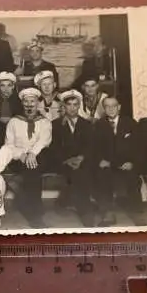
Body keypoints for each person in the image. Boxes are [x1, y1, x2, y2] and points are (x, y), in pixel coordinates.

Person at [0, 88, 52, 228]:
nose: (29, 104)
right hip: (18, 158)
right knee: (31, 170)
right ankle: (32, 210)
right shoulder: (14, 121)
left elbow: (44, 141)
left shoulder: (44, 121)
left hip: (39, 155)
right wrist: (22, 155)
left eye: (33, 101)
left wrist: (32, 154)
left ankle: (35, 215)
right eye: (26, 101)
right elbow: (9, 144)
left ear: (37, 103)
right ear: (22, 103)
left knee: (33, 170)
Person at [94, 97, 143, 226]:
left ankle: (137, 212)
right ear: (103, 109)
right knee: (102, 176)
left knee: (134, 178)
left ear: (119, 107)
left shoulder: (130, 122)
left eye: (113, 105)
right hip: (108, 163)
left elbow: (139, 146)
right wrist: (100, 160)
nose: (110, 109)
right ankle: (107, 213)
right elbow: (95, 147)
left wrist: (132, 162)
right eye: (107, 106)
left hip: (126, 163)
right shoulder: (99, 125)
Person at [49, 90, 95, 227]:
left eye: (75, 104)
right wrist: (67, 160)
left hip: (82, 161)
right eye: (69, 104)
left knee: (82, 171)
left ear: (79, 105)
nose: (72, 108)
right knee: (78, 173)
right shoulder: (55, 124)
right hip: (63, 162)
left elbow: (90, 145)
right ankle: (85, 211)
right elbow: (53, 147)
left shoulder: (86, 124)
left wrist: (81, 157)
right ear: (63, 106)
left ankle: (67, 201)